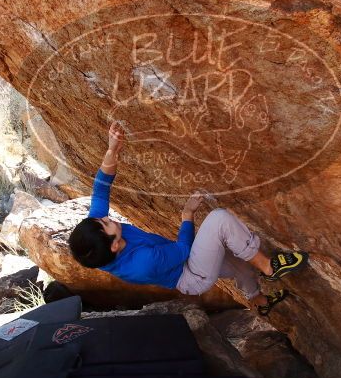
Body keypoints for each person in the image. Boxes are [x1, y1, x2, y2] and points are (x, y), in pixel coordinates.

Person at [69, 122, 308, 316]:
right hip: (192, 276)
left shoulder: (100, 238)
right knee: (219, 219)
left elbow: (101, 189)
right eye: (106, 224)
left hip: (183, 263)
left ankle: (258, 300)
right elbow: (183, 249)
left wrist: (112, 150)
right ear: (114, 245)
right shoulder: (141, 263)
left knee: (238, 263)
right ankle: (268, 266)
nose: (107, 219)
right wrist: (187, 215)